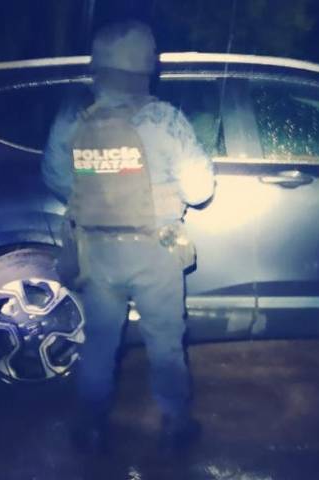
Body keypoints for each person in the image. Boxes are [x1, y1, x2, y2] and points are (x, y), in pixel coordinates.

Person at [41, 20, 215, 453]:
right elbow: (200, 191)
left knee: (99, 343)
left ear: (99, 67)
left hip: (97, 252)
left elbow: (56, 177)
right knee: (165, 343)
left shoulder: (74, 120)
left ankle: (90, 426)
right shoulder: (164, 119)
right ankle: (175, 425)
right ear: (146, 67)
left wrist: (99, 198)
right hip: (155, 249)